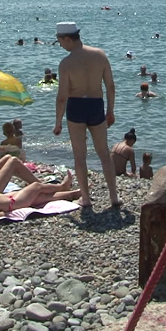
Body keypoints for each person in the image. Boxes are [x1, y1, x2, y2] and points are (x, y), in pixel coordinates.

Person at [52, 21, 120, 208]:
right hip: (96, 104)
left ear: (67, 39)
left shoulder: (66, 63)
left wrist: (57, 122)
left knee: (79, 156)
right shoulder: (100, 55)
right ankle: (114, 197)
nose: (62, 46)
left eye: (60, 42)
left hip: (76, 106)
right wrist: (110, 111)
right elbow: (111, 86)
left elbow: (61, 97)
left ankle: (86, 199)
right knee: (104, 153)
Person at [0, 162, 79, 224]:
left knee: (41, 198)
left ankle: (72, 194)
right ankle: (63, 186)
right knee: (36, 186)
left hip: (6, 198)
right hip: (12, 204)